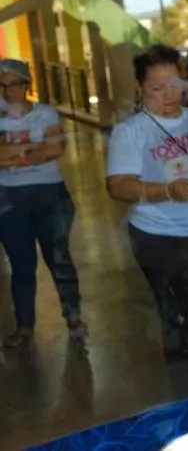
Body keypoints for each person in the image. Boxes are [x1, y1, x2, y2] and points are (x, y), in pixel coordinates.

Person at [106, 45, 188, 359]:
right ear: (140, 90)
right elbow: (118, 185)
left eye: (175, 85)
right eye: (157, 88)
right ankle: (187, 378)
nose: (168, 95)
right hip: (160, 236)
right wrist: (167, 192)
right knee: (176, 315)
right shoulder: (130, 131)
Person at [0, 58, 86, 348]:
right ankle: (25, 326)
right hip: (8, 199)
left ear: (26, 85)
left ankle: (73, 317)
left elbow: (56, 148)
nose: (8, 91)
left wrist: (12, 155)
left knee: (59, 258)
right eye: (1, 86)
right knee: (21, 264)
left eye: (14, 84)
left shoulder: (46, 113)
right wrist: (33, 148)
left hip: (50, 194)